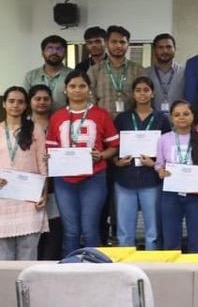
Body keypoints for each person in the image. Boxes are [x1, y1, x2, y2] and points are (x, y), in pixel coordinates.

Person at [46, 70, 119, 255]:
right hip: (64, 180)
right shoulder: (57, 116)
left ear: (89, 89)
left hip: (93, 178)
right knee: (70, 231)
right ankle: (69, 272)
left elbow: (114, 146)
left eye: (82, 86)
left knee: (90, 229)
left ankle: (95, 271)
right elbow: (50, 148)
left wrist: (101, 155)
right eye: (72, 86)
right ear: (65, 90)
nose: (77, 90)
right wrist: (49, 157)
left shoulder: (102, 115)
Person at [112, 77, 172, 250]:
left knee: (152, 229)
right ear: (133, 94)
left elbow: (168, 150)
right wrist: (117, 161)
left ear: (152, 93)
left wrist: (154, 163)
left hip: (151, 179)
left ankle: (152, 265)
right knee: (124, 229)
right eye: (138, 90)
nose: (142, 93)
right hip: (125, 178)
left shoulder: (162, 119)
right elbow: (114, 146)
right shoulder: (122, 119)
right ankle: (125, 267)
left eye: (146, 90)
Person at [155, 100, 198, 252]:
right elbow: (159, 164)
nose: (182, 118)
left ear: (193, 115)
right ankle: (174, 272)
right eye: (177, 115)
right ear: (171, 118)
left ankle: (197, 272)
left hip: (196, 193)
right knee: (171, 239)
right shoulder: (164, 139)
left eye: (186, 114)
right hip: (171, 192)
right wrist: (161, 171)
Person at [0, 86, 48, 260]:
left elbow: (43, 164)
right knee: (3, 258)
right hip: (3, 200)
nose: (15, 105)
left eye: (20, 102)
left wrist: (44, 193)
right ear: (4, 104)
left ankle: (26, 288)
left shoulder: (35, 129)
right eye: (11, 101)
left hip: (29, 200)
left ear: (26, 105)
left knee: (28, 255)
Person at [30, 85, 62, 260]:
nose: (42, 102)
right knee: (33, 228)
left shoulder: (58, 121)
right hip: (30, 183)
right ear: (31, 101)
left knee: (55, 226)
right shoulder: (24, 124)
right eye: (37, 98)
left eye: (46, 99)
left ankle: (50, 262)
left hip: (56, 182)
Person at [89, 25, 145, 117]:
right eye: (114, 42)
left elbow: (143, 98)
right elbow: (90, 99)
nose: (118, 46)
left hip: (131, 122)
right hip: (103, 122)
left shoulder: (138, 70)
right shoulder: (95, 70)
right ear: (107, 43)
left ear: (128, 44)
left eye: (122, 42)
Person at [24, 35, 72, 111]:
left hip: (64, 121)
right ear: (42, 53)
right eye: (50, 49)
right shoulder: (31, 76)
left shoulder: (73, 75)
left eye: (59, 49)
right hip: (36, 121)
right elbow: (25, 101)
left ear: (65, 53)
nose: (54, 52)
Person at [144, 33, 185, 113]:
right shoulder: (145, 73)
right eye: (160, 47)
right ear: (154, 50)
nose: (165, 51)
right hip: (153, 121)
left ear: (175, 49)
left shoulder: (184, 72)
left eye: (168, 47)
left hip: (179, 121)